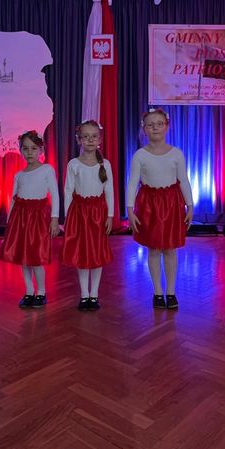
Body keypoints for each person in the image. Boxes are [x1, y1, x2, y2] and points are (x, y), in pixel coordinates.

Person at [126, 108, 193, 309]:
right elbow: (132, 183)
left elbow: (184, 180)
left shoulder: (176, 153)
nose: (155, 127)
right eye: (150, 125)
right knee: (154, 249)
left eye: (159, 124)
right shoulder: (140, 155)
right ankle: (157, 292)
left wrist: (190, 205)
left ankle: (170, 292)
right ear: (144, 129)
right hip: (149, 205)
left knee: (170, 249)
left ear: (167, 126)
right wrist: (130, 209)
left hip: (171, 204)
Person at [0, 130, 59, 308]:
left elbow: (55, 195)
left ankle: (41, 292)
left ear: (41, 150)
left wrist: (54, 219)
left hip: (38, 218)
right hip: (20, 218)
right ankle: (28, 291)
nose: (29, 152)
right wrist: (9, 223)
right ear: (20, 151)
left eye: (33, 148)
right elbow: (13, 199)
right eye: (25, 148)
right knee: (23, 257)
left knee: (36, 256)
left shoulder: (47, 169)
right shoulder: (19, 175)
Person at [62, 120, 113, 311]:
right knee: (82, 253)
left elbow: (109, 191)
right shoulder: (74, 164)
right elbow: (68, 190)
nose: (90, 140)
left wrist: (110, 215)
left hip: (98, 214)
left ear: (99, 140)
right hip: (80, 214)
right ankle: (84, 295)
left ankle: (94, 294)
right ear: (79, 140)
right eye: (86, 136)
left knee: (97, 254)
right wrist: (68, 216)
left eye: (94, 136)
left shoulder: (105, 164)